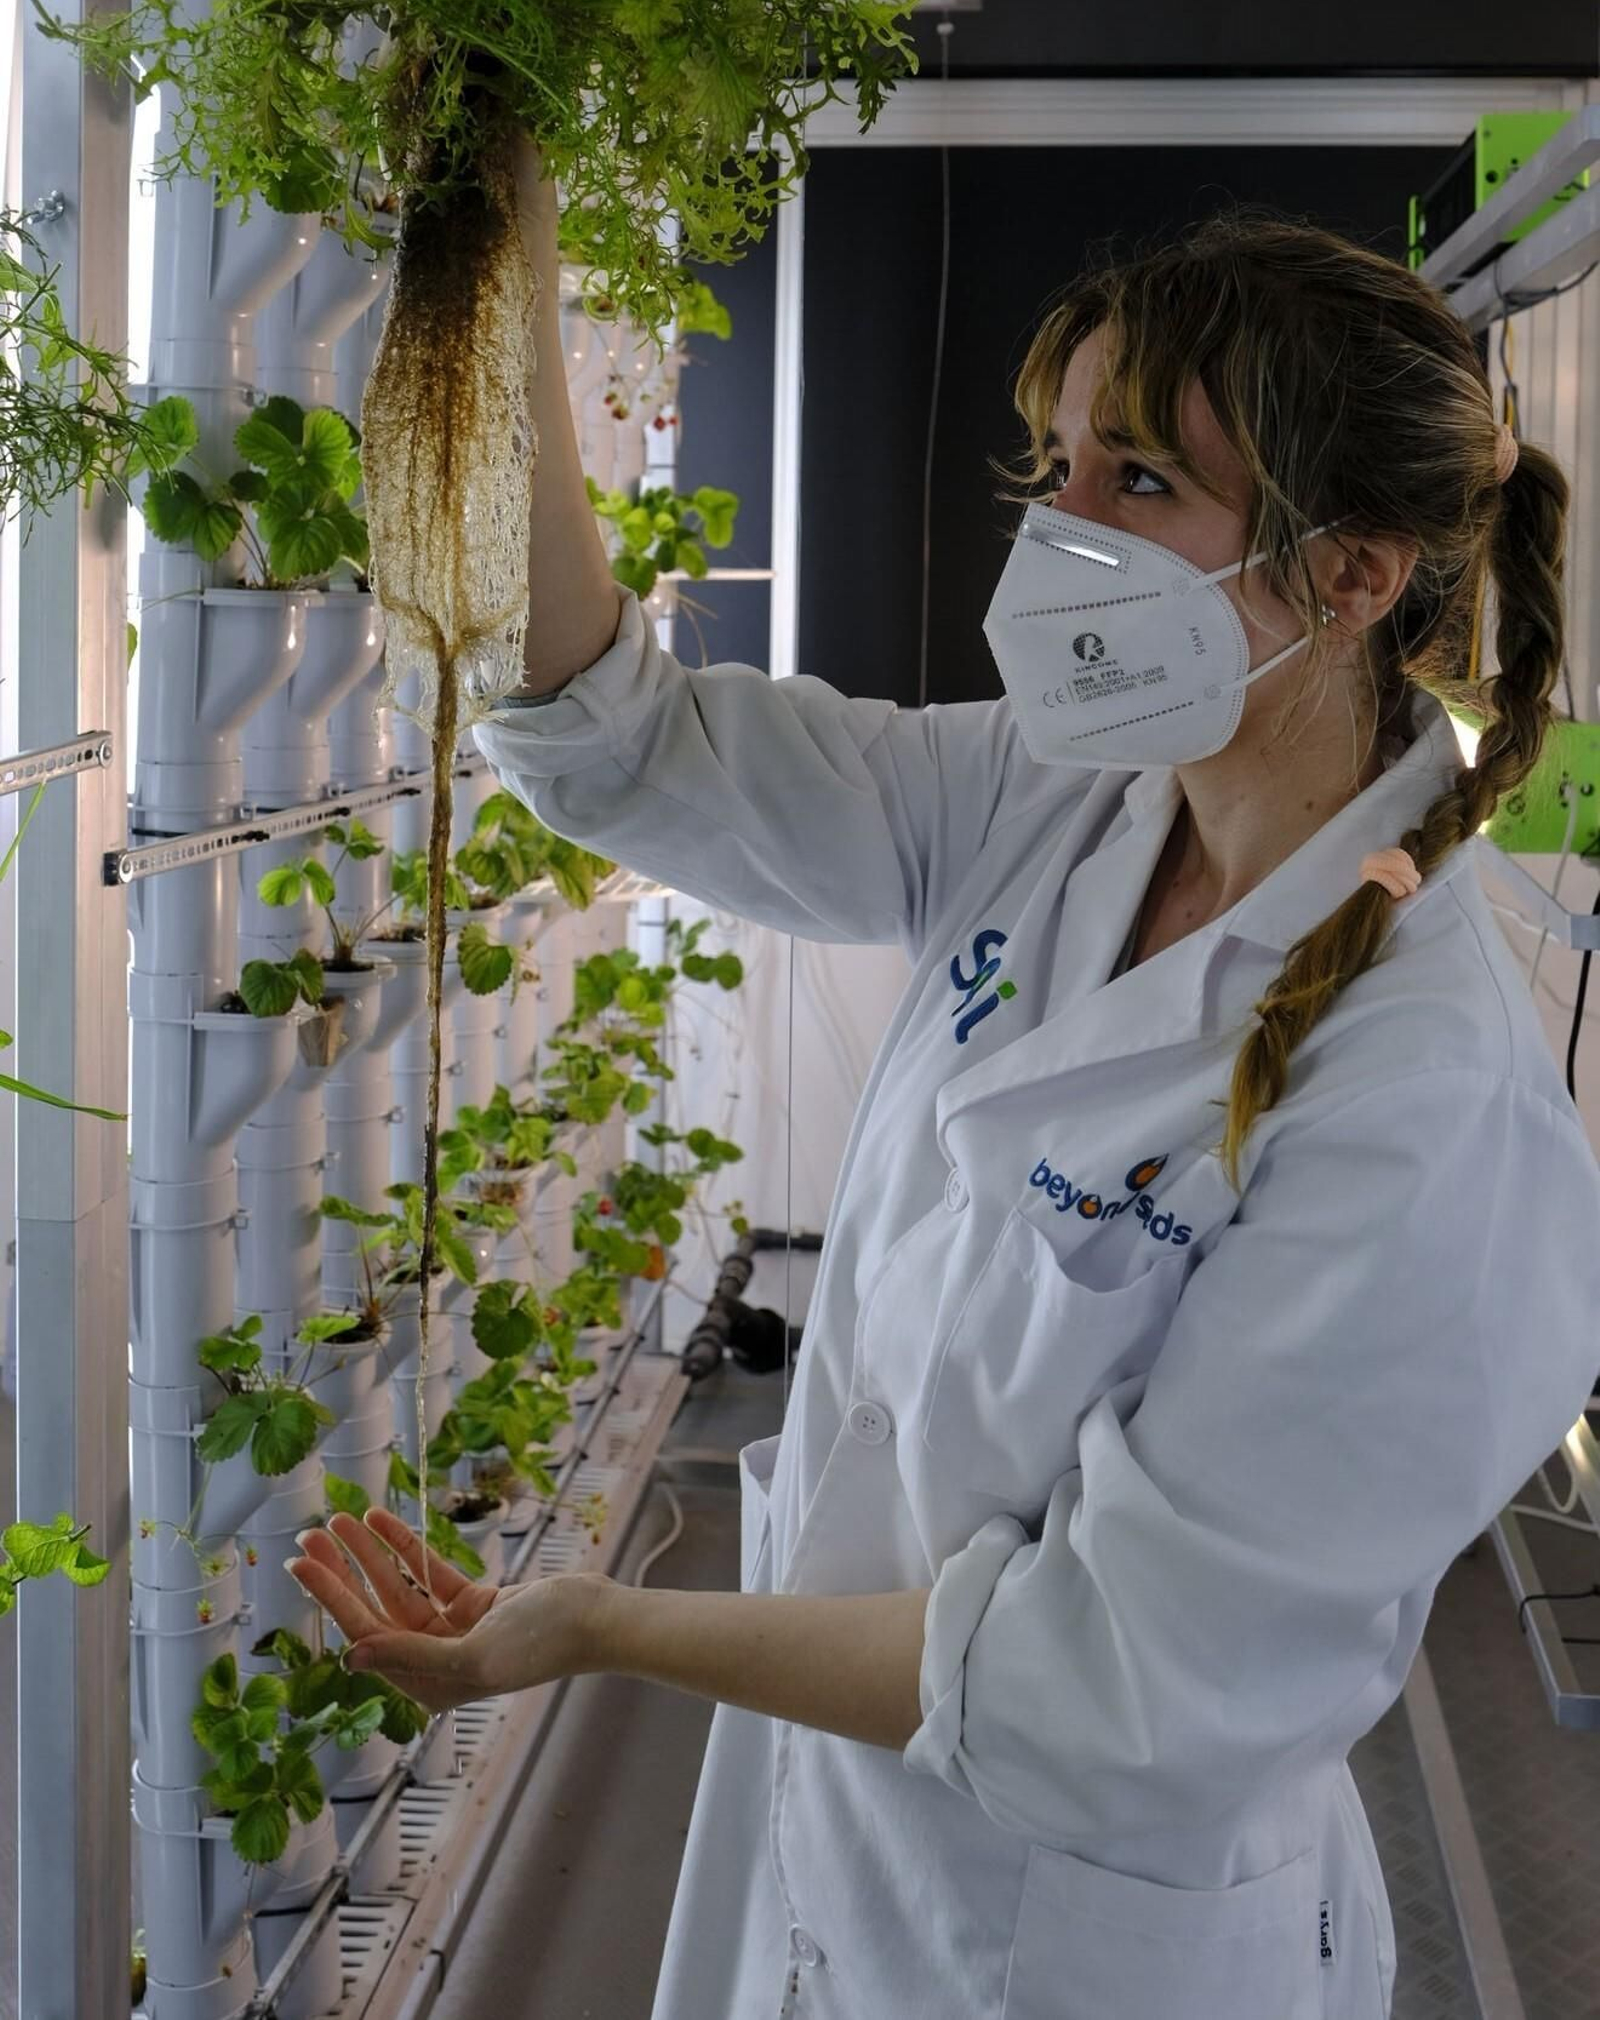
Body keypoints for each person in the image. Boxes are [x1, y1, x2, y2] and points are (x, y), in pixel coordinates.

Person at [290, 181, 1600, 2020]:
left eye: (1135, 483)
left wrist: (593, 1624)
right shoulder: (1060, 802)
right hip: (847, 1853)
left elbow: (1112, 1695)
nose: (1055, 530)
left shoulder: (1430, 1111)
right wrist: (493, 262)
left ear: (1353, 574)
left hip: (1078, 1943)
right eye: (1052, 465)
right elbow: (621, 740)